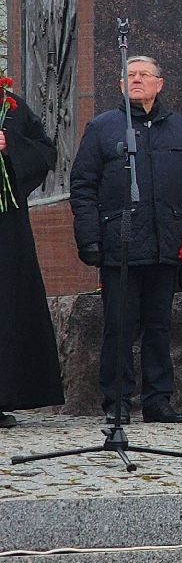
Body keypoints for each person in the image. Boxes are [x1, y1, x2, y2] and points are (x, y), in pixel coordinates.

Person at [70, 54, 182, 424]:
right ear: (121, 85)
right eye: (131, 75)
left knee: (160, 324)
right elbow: (83, 185)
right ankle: (117, 401)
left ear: (161, 84)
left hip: (165, 242)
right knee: (120, 326)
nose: (138, 80)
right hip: (121, 243)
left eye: (145, 75)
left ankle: (158, 399)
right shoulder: (102, 127)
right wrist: (90, 238)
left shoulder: (181, 129)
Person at [0, 86, 64, 426]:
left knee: (6, 305)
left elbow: (45, 150)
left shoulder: (11, 107)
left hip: (5, 223)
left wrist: (11, 146)